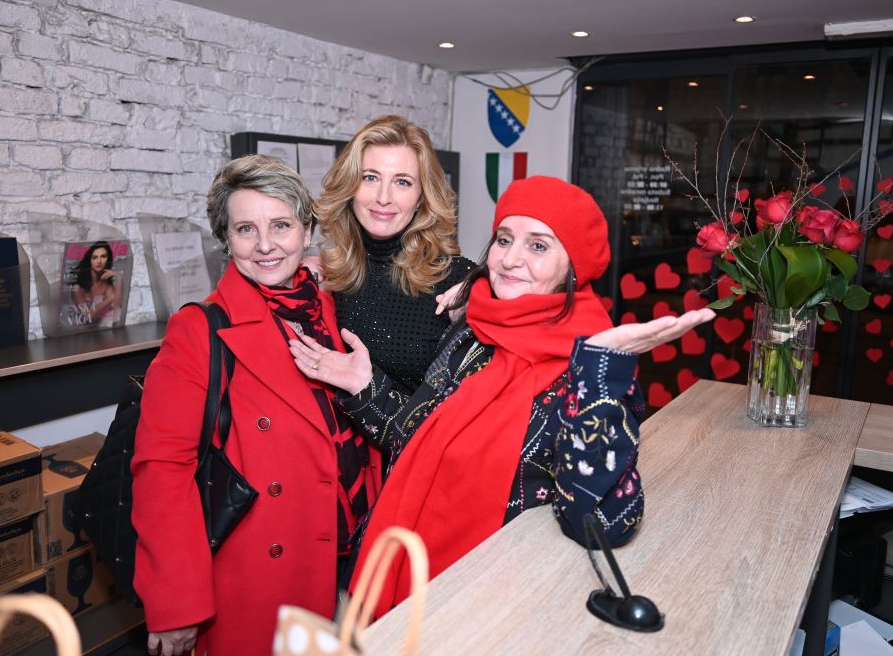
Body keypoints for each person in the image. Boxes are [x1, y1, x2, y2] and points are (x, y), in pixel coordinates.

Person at [290, 176, 715, 617]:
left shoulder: (593, 364)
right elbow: (414, 441)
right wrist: (366, 388)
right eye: (504, 239)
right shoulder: (475, 330)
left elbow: (605, 524)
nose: (510, 259)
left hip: (493, 605)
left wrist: (599, 376)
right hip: (396, 579)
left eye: (538, 246)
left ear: (573, 267)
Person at [131, 155, 382, 656]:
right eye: (246, 229)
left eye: (281, 225)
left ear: (307, 230)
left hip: (355, 555)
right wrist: (176, 602)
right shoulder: (200, 330)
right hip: (264, 572)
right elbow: (161, 469)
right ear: (226, 239)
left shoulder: (330, 308)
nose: (265, 245)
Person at [315, 115, 476, 393]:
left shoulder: (459, 282)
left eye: (402, 182)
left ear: (421, 197)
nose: (383, 197)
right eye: (370, 177)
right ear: (350, 186)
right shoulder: (333, 274)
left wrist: (485, 300)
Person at [70, 241, 122, 327]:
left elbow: (116, 305)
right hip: (79, 331)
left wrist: (118, 277)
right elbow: (88, 317)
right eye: (95, 257)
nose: (99, 261)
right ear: (89, 260)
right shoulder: (78, 287)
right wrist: (109, 299)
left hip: (99, 329)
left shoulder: (105, 283)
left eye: (103, 256)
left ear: (108, 259)